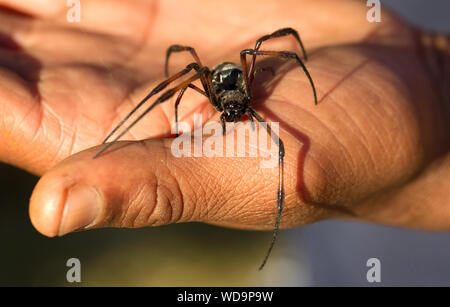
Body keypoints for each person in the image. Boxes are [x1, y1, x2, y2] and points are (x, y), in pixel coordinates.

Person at [0, 0, 448, 238]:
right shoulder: (210, 86)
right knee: (189, 66)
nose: (234, 116)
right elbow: (183, 69)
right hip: (335, 260)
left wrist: (434, 79)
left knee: (263, 73)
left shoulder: (247, 97)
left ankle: (275, 238)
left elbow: (283, 48)